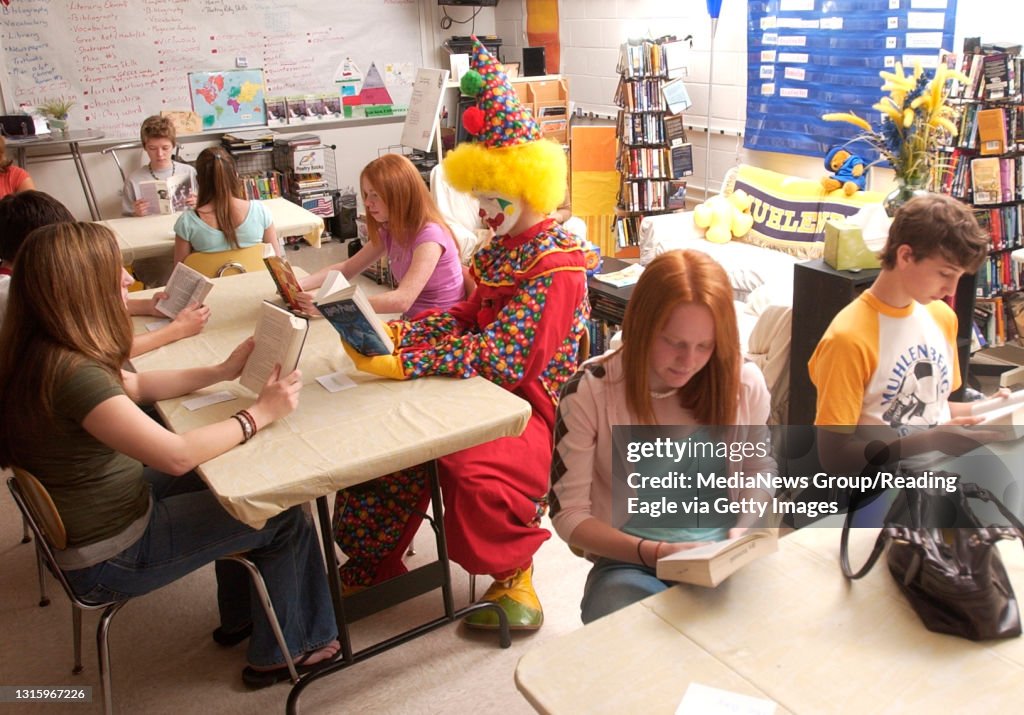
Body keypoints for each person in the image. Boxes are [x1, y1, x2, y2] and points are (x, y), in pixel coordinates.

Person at [0, 222, 338, 688]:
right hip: (110, 554)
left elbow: (135, 385)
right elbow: (176, 455)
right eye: (112, 271)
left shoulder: (44, 349)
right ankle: (292, 649)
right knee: (279, 516)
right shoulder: (73, 373)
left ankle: (245, 616)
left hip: (100, 518)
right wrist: (258, 414)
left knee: (224, 478)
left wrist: (223, 370)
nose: (126, 278)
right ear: (79, 288)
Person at [334, 38, 589, 630]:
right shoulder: (502, 251)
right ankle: (379, 559)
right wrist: (403, 336)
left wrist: (410, 362)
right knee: (387, 441)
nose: (479, 211)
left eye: (487, 197)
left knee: (471, 469)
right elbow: (468, 317)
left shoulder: (558, 266)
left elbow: (506, 359)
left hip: (525, 408)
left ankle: (514, 575)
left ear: (525, 186)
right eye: (475, 197)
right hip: (474, 384)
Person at [549, 250, 775, 623]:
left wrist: (743, 528)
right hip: (631, 560)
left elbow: (759, 469)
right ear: (641, 326)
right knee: (620, 626)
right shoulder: (590, 390)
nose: (689, 361)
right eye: (674, 342)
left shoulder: (743, 381)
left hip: (723, 557)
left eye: (705, 345)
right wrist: (654, 552)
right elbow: (568, 514)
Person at [809, 192, 1005, 476]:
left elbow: (935, 411)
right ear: (905, 256)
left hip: (940, 484)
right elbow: (835, 458)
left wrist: (990, 409)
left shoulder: (942, 317)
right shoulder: (848, 338)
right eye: (945, 273)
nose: (951, 290)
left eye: (959, 276)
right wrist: (929, 441)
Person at [0, 190, 210, 356]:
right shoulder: (16, 294)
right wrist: (176, 330)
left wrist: (146, 306)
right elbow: (105, 350)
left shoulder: (30, 280)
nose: (129, 280)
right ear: (41, 251)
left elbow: (82, 306)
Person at [298, 153, 466, 318]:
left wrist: (334, 306)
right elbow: (347, 268)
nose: (367, 203)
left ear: (400, 195)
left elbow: (402, 300)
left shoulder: (430, 236)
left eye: (375, 195)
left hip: (442, 327)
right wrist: (297, 285)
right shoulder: (393, 228)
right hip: (417, 322)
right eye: (366, 194)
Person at [172, 146, 283, 264]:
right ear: (235, 175)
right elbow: (278, 262)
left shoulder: (187, 222)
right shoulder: (260, 211)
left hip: (214, 283)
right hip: (255, 281)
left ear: (198, 180)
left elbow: (180, 273)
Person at [122, 115, 198, 217]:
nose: (160, 154)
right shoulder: (133, 179)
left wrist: (197, 203)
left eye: (165, 148)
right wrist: (136, 213)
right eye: (152, 148)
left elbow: (206, 208)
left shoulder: (189, 172)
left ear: (173, 145)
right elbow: (125, 219)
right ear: (145, 147)